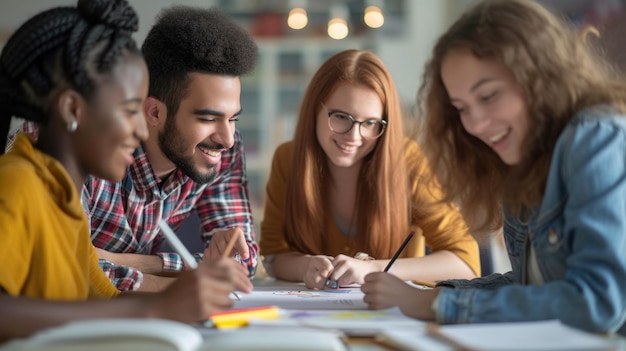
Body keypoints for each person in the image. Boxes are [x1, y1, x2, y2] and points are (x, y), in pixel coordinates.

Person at [361, 0, 626, 335]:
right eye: (461, 108)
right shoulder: (520, 162)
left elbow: (599, 301)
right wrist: (435, 294)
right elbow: (532, 285)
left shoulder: (596, 138)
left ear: (540, 76)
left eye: (487, 97)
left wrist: (434, 304)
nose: (475, 124)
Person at [0, 0, 252, 341]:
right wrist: (157, 307)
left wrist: (171, 297)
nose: (139, 131)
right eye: (130, 110)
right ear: (73, 108)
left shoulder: (62, 199)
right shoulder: (18, 184)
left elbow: (102, 296)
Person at [260, 49, 481, 290]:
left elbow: (465, 264)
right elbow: (273, 257)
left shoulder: (406, 160)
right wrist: (304, 266)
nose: (354, 136)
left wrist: (374, 270)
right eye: (341, 117)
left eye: (371, 123)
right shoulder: (288, 159)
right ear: (314, 108)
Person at [80, 5, 259, 292]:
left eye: (233, 118)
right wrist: (177, 285)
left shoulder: (222, 149)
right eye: (208, 118)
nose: (227, 138)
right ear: (153, 113)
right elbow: (67, 266)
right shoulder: (81, 146)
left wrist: (139, 263)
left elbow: (241, 264)